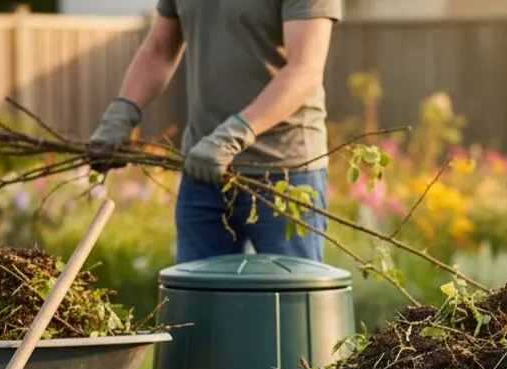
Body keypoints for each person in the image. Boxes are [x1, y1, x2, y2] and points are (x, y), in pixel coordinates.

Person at [87, 1, 341, 264]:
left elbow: (305, 69)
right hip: (203, 170)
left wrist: (232, 136)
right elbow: (160, 50)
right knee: (198, 299)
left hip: (284, 173)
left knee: (290, 300)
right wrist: (122, 112)